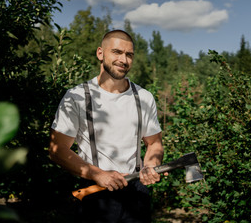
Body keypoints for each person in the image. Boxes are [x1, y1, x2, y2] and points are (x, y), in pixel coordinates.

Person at [49, 29, 164, 222]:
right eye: (117, 52)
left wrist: (150, 166)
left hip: (136, 192)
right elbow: (57, 149)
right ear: (100, 53)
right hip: (96, 192)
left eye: (129, 55)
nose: (124, 60)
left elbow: (154, 143)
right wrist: (98, 174)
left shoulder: (143, 97)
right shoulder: (77, 96)